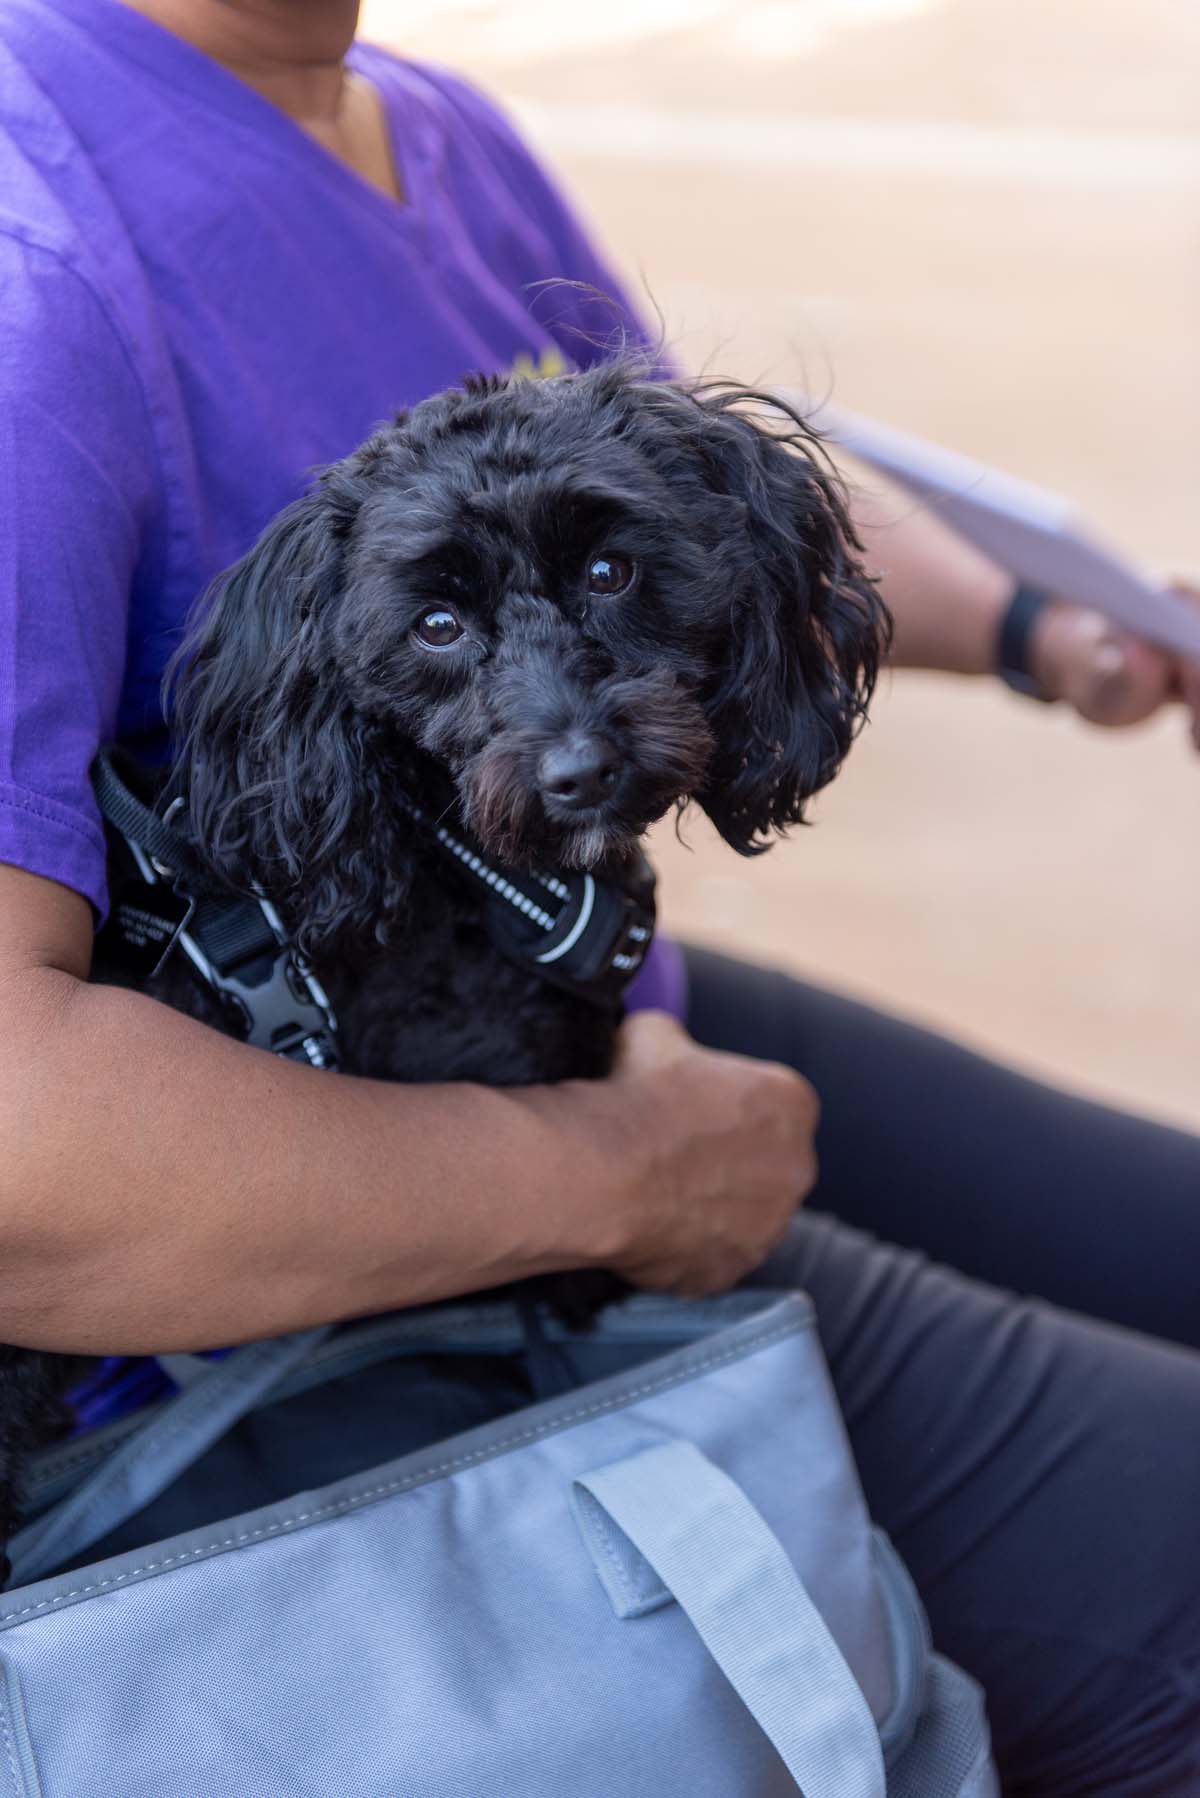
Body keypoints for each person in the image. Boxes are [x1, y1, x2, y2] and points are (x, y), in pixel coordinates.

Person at [0, 0, 1197, 1787]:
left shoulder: (422, 125)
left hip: (576, 1010)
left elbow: (669, 489)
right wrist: (628, 1181)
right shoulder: (35, 253)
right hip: (277, 1291)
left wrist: (1047, 627)